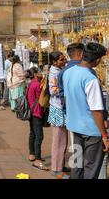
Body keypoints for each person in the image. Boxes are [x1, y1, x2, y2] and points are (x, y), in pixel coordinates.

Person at [63, 43, 109, 179]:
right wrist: (104, 136)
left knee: (77, 165)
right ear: (97, 59)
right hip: (91, 131)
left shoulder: (68, 72)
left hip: (74, 126)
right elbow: (96, 110)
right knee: (91, 168)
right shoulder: (90, 79)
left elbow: (67, 98)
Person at [47, 51, 69, 179]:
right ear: (55, 62)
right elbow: (53, 90)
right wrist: (66, 88)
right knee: (59, 140)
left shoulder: (58, 71)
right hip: (57, 107)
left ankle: (60, 165)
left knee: (62, 139)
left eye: (64, 58)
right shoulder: (54, 73)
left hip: (60, 107)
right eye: (61, 59)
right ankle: (56, 168)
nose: (64, 61)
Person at [27, 67, 49, 171]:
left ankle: (32, 154)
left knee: (33, 133)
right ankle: (37, 159)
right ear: (35, 74)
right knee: (39, 136)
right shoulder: (37, 85)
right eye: (39, 72)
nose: (41, 73)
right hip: (37, 112)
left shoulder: (32, 83)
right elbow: (42, 100)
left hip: (32, 111)